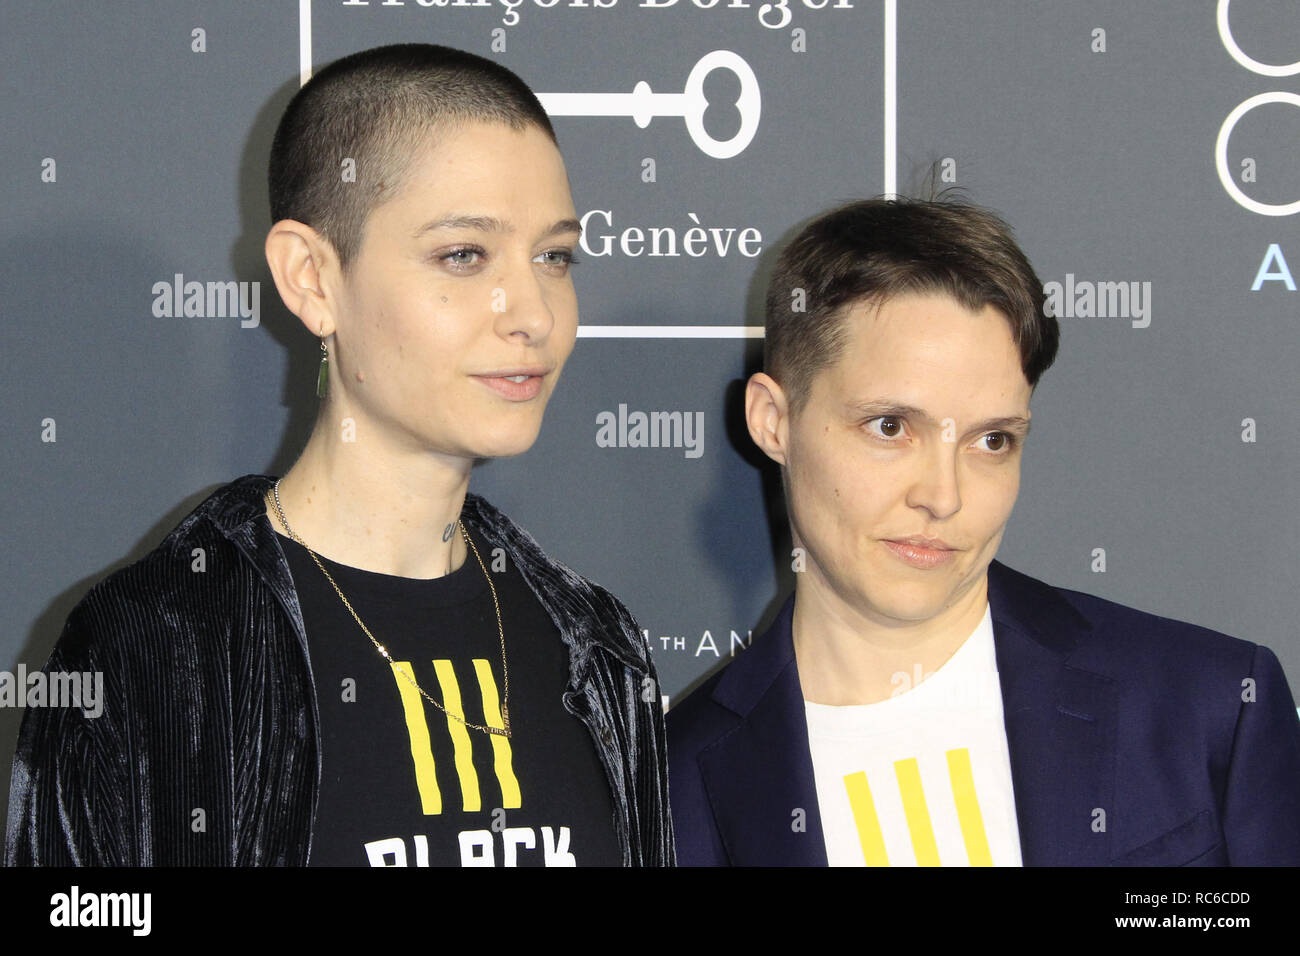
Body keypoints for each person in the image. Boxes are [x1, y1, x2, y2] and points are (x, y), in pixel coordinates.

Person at [7, 43, 672, 867]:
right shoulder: (157, 647)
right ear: (312, 279)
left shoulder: (596, 644)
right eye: (464, 255)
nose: (531, 312)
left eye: (554, 256)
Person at [666, 197, 1300, 866]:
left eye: (991, 440)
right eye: (890, 427)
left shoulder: (1209, 708)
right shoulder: (674, 789)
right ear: (773, 421)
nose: (944, 497)